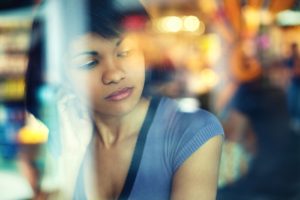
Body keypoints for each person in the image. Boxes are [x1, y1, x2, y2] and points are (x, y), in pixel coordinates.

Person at [25, 0, 224, 199]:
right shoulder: (66, 141)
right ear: (60, 76)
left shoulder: (192, 132)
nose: (114, 74)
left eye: (125, 52)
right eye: (88, 63)